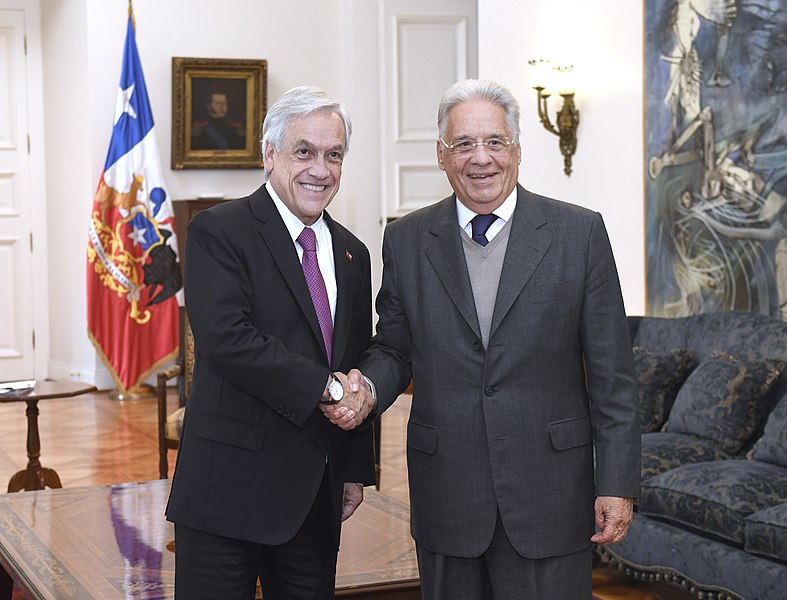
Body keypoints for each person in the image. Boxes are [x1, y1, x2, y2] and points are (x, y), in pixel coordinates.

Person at [329, 79, 641, 599]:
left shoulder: (578, 234)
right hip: (447, 491)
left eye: (495, 142)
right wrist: (365, 390)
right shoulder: (406, 240)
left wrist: (616, 482)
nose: (481, 159)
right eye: (464, 145)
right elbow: (393, 349)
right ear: (441, 155)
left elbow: (613, 376)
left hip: (551, 494)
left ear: (517, 149)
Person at [166, 86, 376, 600]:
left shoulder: (353, 252)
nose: (319, 169)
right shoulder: (220, 230)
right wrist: (328, 391)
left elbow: (355, 358)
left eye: (334, 155)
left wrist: (355, 471)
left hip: (315, 499)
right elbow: (228, 342)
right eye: (304, 151)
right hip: (227, 496)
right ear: (269, 155)